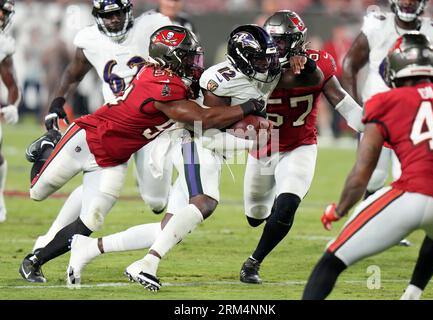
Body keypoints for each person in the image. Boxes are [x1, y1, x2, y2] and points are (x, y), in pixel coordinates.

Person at [67, 23, 313, 291]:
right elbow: (204, 128)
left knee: (168, 228)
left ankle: (89, 248)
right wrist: (247, 137)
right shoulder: (219, 80)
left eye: (269, 58)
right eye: (259, 59)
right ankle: (146, 264)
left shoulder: (266, 71)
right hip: (194, 142)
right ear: (243, 59)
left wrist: (302, 60)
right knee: (205, 202)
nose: (267, 64)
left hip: (212, 150)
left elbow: (306, 72)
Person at [19, 24, 265, 284]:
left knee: (91, 219)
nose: (194, 63)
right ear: (169, 59)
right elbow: (201, 119)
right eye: (188, 56)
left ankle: (34, 261)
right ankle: (47, 148)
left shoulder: (172, 77)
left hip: (113, 160)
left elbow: (209, 91)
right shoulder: (159, 83)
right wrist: (250, 106)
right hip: (87, 140)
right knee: (36, 192)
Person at [23, 0, 173, 272]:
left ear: (129, 11)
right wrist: (57, 101)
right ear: (96, 16)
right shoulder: (89, 39)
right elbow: (73, 72)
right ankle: (49, 236)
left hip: (153, 126)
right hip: (114, 126)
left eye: (117, 14)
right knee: (94, 189)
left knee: (156, 202)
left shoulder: (154, 25)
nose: (113, 21)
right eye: (107, 16)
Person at [302, 32, 433, 300]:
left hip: (413, 194)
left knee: (331, 261)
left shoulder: (385, 102)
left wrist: (339, 210)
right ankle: (412, 294)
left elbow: (362, 173)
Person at [239, 10, 364, 285]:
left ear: (297, 41)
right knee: (255, 215)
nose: (277, 48)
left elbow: (340, 99)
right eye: (274, 41)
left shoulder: (317, 63)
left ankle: (253, 262)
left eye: (283, 42)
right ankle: (267, 213)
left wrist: (370, 124)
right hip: (262, 148)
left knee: (286, 206)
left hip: (300, 145)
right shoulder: (254, 64)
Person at [342, 0, 433, 243]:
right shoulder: (377, 26)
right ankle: (363, 221)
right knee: (374, 176)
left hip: (415, 117)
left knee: (409, 176)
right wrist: (356, 109)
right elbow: (350, 63)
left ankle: (391, 225)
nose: (408, 3)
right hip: (380, 114)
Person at [0, 0, 20, 223]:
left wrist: (12, 105)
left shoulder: (3, 43)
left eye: (4, 14)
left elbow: (12, 84)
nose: (1, 18)